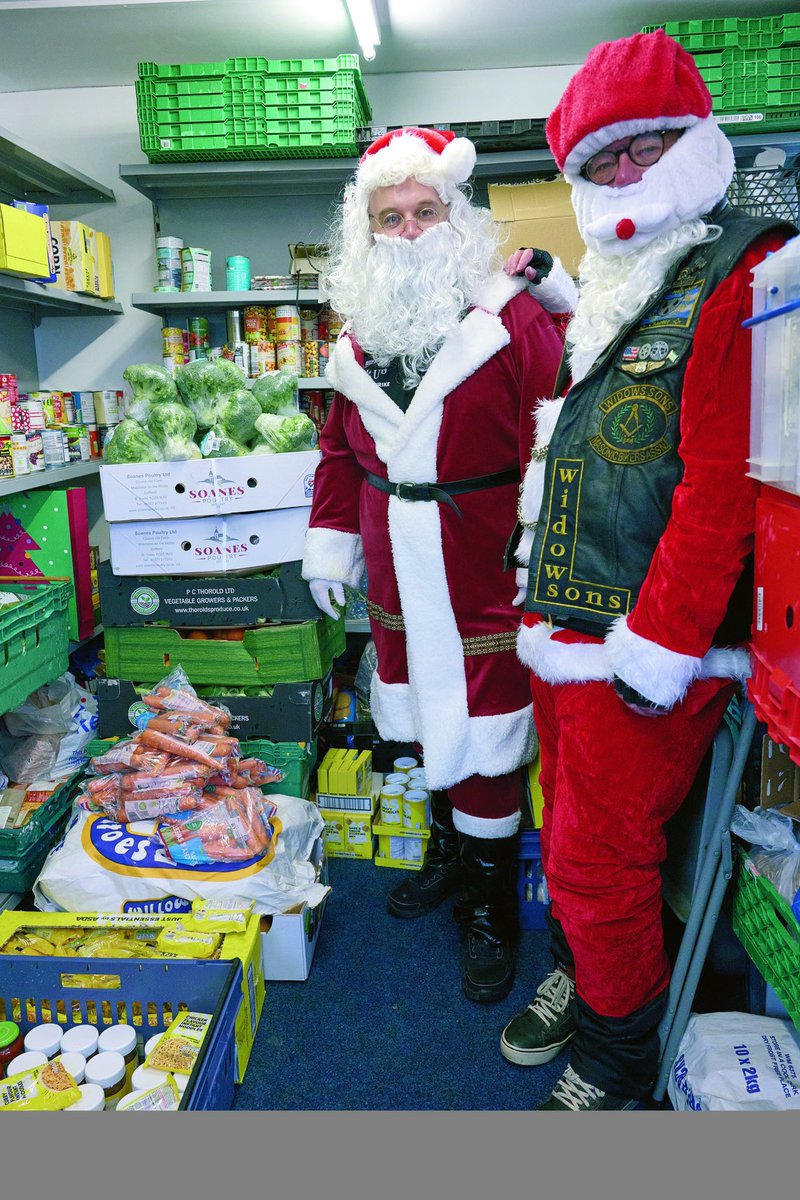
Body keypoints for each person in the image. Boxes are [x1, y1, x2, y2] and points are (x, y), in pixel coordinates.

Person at [501, 29, 796, 1109]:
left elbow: (725, 477)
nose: (622, 175)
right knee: (565, 823)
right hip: (564, 625)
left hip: (645, 642)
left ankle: (616, 1056)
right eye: (598, 162)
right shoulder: (631, 270)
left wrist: (662, 642)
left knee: (594, 857)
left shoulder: (747, 266)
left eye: (645, 147)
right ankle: (591, 977)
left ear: (696, 142)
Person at [301, 126, 573, 1003]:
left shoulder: (511, 316)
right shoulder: (353, 341)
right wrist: (330, 540)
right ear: (368, 233)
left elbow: (562, 430)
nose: (410, 231)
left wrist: (546, 549)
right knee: (417, 714)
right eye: (391, 218)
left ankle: (491, 905)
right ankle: (454, 857)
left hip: (484, 558)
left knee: (489, 733)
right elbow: (340, 456)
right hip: (394, 560)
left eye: (425, 212)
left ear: (455, 217)